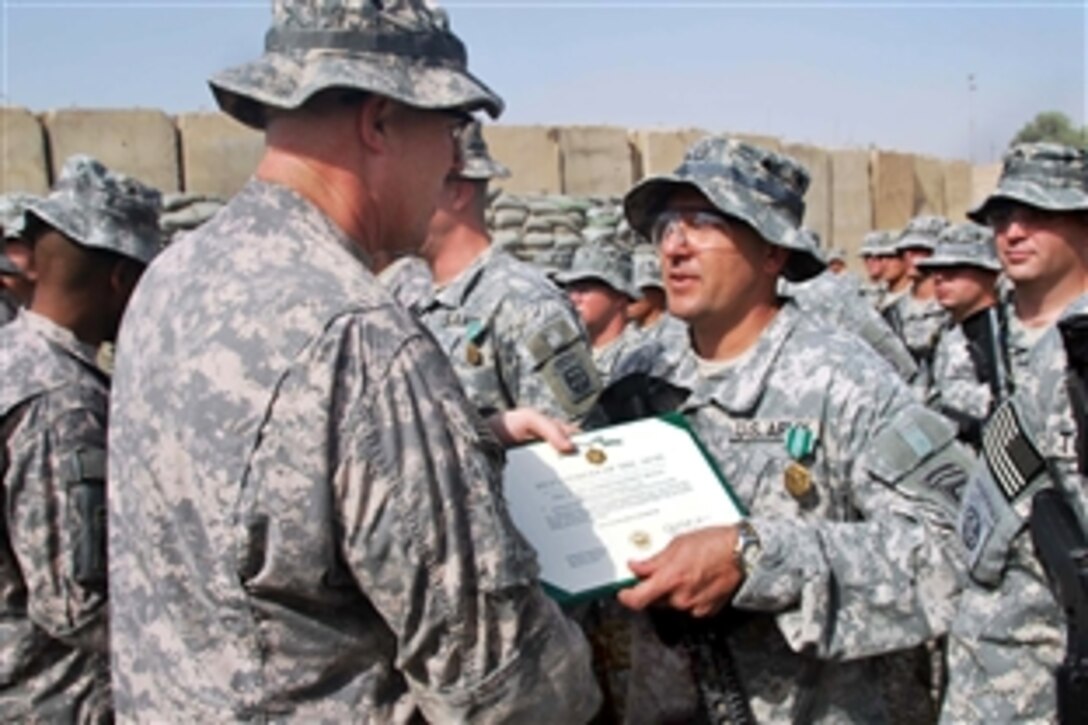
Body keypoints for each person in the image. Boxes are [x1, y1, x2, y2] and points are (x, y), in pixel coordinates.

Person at [106, 1, 600, 721]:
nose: (451, 166)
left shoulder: (172, 278)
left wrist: (465, 442)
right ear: (378, 121)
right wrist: (591, 681)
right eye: (449, 132)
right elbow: (494, 677)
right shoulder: (362, 334)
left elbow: (258, 491)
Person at [613, 136, 969, 722]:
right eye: (666, 224)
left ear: (773, 252)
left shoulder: (844, 379)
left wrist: (760, 558)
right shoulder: (638, 371)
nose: (674, 246)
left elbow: (952, 549)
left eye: (704, 221)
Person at [0, 155, 161, 722]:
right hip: (56, 698)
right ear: (121, 279)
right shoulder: (60, 402)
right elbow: (74, 604)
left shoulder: (13, 360)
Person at [944, 142, 1088, 722]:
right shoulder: (982, 337)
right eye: (1002, 217)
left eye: (1038, 214)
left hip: (1065, 647)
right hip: (989, 655)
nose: (1013, 232)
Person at [412, 120, 601, 421]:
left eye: (413, 183)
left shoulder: (527, 304)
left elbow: (571, 440)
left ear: (458, 193)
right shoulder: (405, 292)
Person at [916, 222, 1005, 446]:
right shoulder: (946, 328)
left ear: (990, 273)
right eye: (936, 271)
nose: (939, 279)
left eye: (954, 270)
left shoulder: (1002, 333)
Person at [556, 236, 645, 383]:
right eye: (571, 289)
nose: (574, 298)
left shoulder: (643, 357)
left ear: (619, 296)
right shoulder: (566, 355)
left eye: (585, 289)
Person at [885, 216, 950, 398]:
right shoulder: (891, 314)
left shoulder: (953, 311)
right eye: (906, 250)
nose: (911, 257)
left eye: (920, 250)